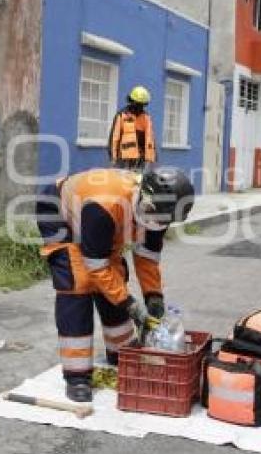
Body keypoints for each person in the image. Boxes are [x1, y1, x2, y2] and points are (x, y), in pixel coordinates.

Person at [35, 166, 195, 402]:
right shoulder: (104, 206)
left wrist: (153, 297)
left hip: (98, 221)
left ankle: (119, 353)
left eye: (162, 220)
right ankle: (77, 375)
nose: (154, 221)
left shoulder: (159, 212)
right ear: (143, 195)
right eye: (151, 213)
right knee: (79, 282)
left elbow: (147, 257)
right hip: (59, 212)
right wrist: (130, 304)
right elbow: (97, 266)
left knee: (115, 275)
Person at [108, 86, 156, 170]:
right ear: (132, 101)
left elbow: (150, 138)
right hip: (123, 159)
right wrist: (113, 157)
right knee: (123, 182)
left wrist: (152, 157)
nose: (140, 107)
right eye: (138, 103)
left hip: (141, 159)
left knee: (138, 182)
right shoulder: (122, 115)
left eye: (142, 104)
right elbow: (114, 138)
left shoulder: (146, 118)